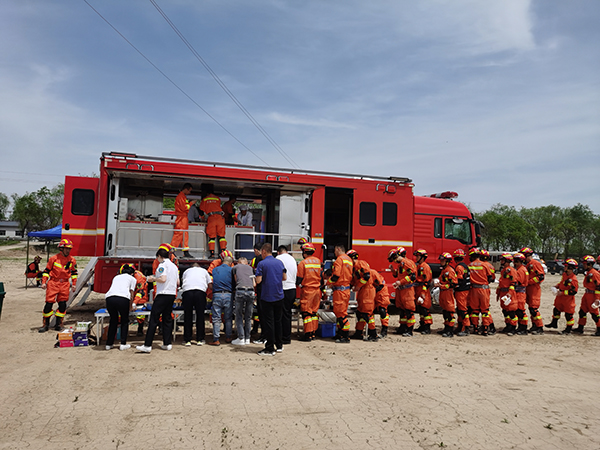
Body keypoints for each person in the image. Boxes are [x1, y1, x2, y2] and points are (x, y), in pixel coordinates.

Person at [136, 246, 179, 353]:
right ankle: (167, 343)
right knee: (167, 318)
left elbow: (163, 279)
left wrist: (153, 279)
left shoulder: (162, 265)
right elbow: (178, 282)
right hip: (171, 294)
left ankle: (147, 345)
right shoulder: (174, 266)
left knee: (154, 319)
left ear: (159, 256)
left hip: (162, 294)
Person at [39, 239, 78, 333]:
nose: (68, 251)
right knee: (49, 304)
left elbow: (74, 273)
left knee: (63, 304)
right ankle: (45, 324)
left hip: (65, 284)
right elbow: (46, 271)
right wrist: (44, 282)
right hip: (53, 283)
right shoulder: (53, 258)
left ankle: (58, 324)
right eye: (66, 248)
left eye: (69, 249)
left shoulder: (72, 260)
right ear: (61, 248)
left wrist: (74, 284)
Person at [255, 243, 287, 355]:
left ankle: (269, 348)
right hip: (279, 295)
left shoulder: (261, 264)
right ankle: (279, 345)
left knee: (269, 323)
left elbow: (258, 281)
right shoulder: (279, 262)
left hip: (267, 296)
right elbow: (284, 277)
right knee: (278, 321)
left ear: (263, 251)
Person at [347, 250, 378, 341]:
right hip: (362, 291)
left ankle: (373, 334)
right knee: (360, 313)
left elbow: (367, 276)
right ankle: (358, 332)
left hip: (367, 290)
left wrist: (358, 286)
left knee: (367, 313)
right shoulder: (354, 268)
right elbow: (354, 280)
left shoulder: (361, 264)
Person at [104, 264, 136, 351]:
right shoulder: (132, 279)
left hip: (109, 298)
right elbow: (131, 294)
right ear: (132, 273)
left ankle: (109, 344)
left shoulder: (116, 277)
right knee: (124, 321)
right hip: (123, 298)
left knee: (113, 320)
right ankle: (123, 343)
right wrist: (130, 306)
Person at [327, 244, 353, 343]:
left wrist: (328, 282)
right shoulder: (349, 260)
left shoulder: (339, 260)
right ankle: (340, 334)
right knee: (340, 313)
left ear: (338, 249)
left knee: (340, 314)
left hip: (340, 291)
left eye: (335, 250)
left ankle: (345, 336)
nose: (334, 252)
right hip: (346, 290)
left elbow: (336, 276)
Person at [181, 262, 212, 346]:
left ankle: (187, 340)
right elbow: (210, 285)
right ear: (199, 267)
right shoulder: (204, 271)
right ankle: (200, 339)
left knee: (188, 316)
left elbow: (183, 281)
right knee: (200, 316)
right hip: (200, 292)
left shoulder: (186, 271)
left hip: (187, 292)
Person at [545, 258, 579, 334]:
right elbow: (562, 283)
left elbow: (573, 292)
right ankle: (554, 323)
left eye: (566, 266)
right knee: (556, 310)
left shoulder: (573, 279)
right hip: (561, 298)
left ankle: (568, 329)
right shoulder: (564, 275)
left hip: (568, 300)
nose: (564, 268)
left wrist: (562, 293)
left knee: (568, 315)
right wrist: (557, 286)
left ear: (570, 268)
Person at [296, 243, 321, 341]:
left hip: (308, 291)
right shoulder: (318, 261)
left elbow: (299, 279)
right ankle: (313, 333)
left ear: (304, 252)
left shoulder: (303, 263)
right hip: (317, 290)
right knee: (314, 313)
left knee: (306, 313)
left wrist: (299, 285)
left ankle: (307, 335)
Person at [467, 248, 495, 336]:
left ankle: (475, 328)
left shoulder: (469, 265)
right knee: (485, 310)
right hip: (484, 289)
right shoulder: (485, 265)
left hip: (474, 290)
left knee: (475, 310)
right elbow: (490, 278)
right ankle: (485, 329)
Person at [390, 247, 417, 337]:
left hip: (407, 290)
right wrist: (392, 271)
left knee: (409, 310)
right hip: (401, 290)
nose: (394, 260)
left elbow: (412, 277)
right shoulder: (400, 265)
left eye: (394, 258)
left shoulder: (407, 263)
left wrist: (400, 282)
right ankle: (402, 327)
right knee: (402, 310)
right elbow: (397, 275)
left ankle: (410, 330)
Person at [209, 256, 235, 345]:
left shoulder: (215, 270)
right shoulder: (232, 270)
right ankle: (228, 337)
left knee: (216, 318)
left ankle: (216, 339)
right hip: (228, 295)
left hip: (217, 294)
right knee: (228, 318)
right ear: (231, 263)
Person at [231, 257, 256, 345]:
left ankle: (241, 338)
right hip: (251, 292)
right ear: (246, 262)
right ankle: (248, 338)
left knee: (238, 315)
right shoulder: (251, 269)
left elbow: (236, 280)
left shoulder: (235, 267)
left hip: (240, 291)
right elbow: (254, 284)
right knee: (248, 316)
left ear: (238, 262)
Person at [521, 247, 545, 334]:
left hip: (534, 289)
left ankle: (539, 326)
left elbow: (541, 277)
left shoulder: (535, 263)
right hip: (529, 289)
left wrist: (529, 282)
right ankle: (534, 325)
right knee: (531, 307)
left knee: (534, 309)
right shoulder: (527, 264)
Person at [574, 255, 600, 335]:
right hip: (587, 294)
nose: (583, 265)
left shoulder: (594, 274)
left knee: (594, 313)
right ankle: (580, 327)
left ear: (589, 264)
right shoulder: (589, 273)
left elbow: (598, 287)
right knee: (582, 311)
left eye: (585, 264)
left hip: (592, 295)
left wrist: (597, 299)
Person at [277, 245, 298, 345]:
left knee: (279, 314)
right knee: (288, 314)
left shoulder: (278, 259)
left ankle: (281, 337)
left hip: (282, 288)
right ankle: (287, 337)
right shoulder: (292, 259)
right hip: (292, 288)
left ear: (278, 252)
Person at [199, 185, 227, 258]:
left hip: (212, 218)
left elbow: (201, 210)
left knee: (212, 238)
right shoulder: (217, 198)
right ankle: (223, 253)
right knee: (222, 237)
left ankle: (212, 254)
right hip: (220, 218)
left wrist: (202, 217)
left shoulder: (205, 199)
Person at [170, 183, 196, 258]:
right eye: (189, 191)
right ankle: (172, 251)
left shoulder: (182, 196)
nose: (189, 193)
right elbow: (184, 208)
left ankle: (185, 251)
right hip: (181, 218)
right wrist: (191, 203)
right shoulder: (180, 197)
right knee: (179, 233)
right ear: (186, 189)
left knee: (184, 234)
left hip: (183, 218)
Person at [496, 253, 518, 336]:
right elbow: (501, 283)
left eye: (503, 260)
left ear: (507, 261)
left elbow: (513, 283)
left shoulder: (511, 270)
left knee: (511, 311)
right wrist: (498, 293)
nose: (501, 261)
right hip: (503, 293)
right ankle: (508, 326)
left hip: (509, 294)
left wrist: (510, 293)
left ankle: (513, 327)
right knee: (505, 310)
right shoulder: (503, 271)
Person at [436, 253, 458, 338]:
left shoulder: (450, 270)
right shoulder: (444, 270)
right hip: (443, 293)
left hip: (448, 293)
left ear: (447, 261)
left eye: (443, 260)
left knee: (450, 312)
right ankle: (446, 328)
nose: (441, 262)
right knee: (445, 311)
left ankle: (450, 331)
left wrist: (441, 286)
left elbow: (453, 284)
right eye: (441, 260)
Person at [413, 249, 433, 335]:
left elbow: (426, 282)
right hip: (418, 289)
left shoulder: (425, 267)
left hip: (423, 290)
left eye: (418, 256)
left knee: (425, 310)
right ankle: (422, 325)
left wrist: (423, 294)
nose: (416, 257)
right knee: (420, 309)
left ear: (422, 257)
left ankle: (427, 327)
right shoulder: (419, 266)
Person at [452, 249, 471, 335]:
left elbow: (459, 279)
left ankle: (466, 328)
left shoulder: (459, 267)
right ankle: (460, 327)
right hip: (465, 290)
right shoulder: (465, 266)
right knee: (460, 310)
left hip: (461, 291)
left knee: (462, 310)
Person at [512, 253, 529, 335]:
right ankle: (520, 327)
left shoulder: (521, 270)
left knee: (520, 311)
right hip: (519, 293)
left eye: (516, 261)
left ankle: (523, 328)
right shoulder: (522, 269)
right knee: (518, 311)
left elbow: (518, 282)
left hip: (520, 293)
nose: (514, 263)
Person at [371, 268, 390, 338]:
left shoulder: (372, 273)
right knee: (369, 311)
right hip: (373, 294)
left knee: (383, 311)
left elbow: (380, 285)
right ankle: (371, 330)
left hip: (382, 293)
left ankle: (384, 330)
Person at [131, 265, 149, 336]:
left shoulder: (139, 277)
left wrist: (134, 302)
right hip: (133, 294)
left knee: (141, 313)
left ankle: (140, 329)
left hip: (141, 296)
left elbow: (140, 292)